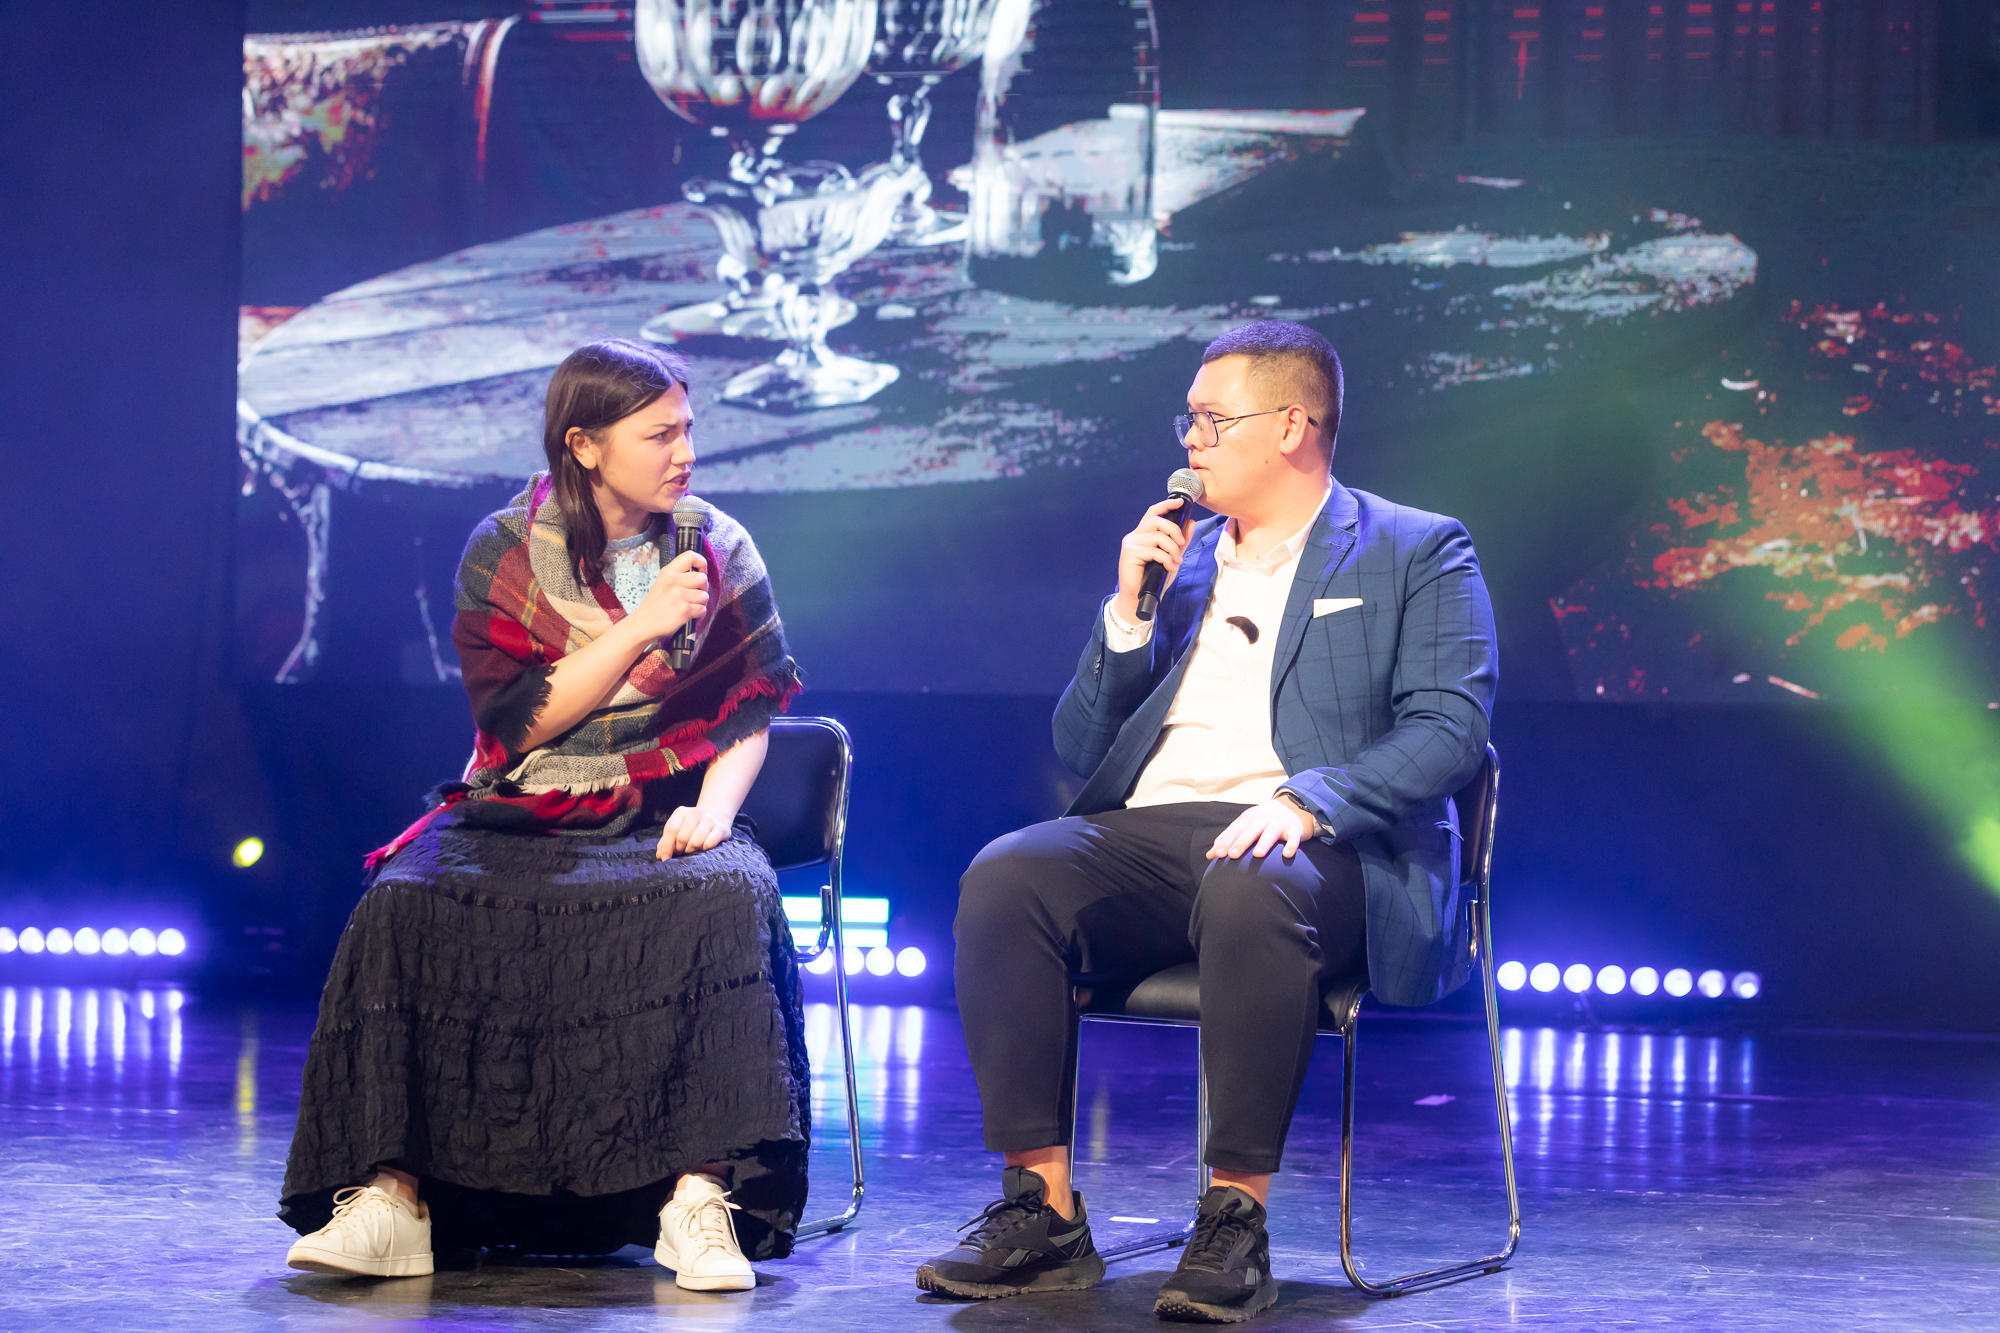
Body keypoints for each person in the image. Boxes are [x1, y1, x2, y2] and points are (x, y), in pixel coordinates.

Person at [919, 321, 1498, 1322]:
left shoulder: (1415, 547)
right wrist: (1128, 614)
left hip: (1322, 844)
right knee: (1007, 875)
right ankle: (1042, 1210)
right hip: (1156, 833)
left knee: (1250, 883)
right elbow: (1080, 742)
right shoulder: (1181, 564)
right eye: (1186, 419)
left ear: (1291, 425)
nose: (1189, 440)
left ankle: (1233, 1216)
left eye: (1210, 420)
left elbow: (1449, 727)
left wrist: (1307, 799)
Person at [279, 339, 809, 1291]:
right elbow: (516, 722)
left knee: (727, 897)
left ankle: (699, 1199)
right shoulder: (503, 548)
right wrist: (641, 626)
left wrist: (715, 810)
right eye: (660, 435)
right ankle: (395, 1198)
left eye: (688, 429)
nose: (686, 452)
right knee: (403, 899)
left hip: (658, 811)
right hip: (523, 804)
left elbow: (750, 706)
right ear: (585, 445)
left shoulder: (715, 544)